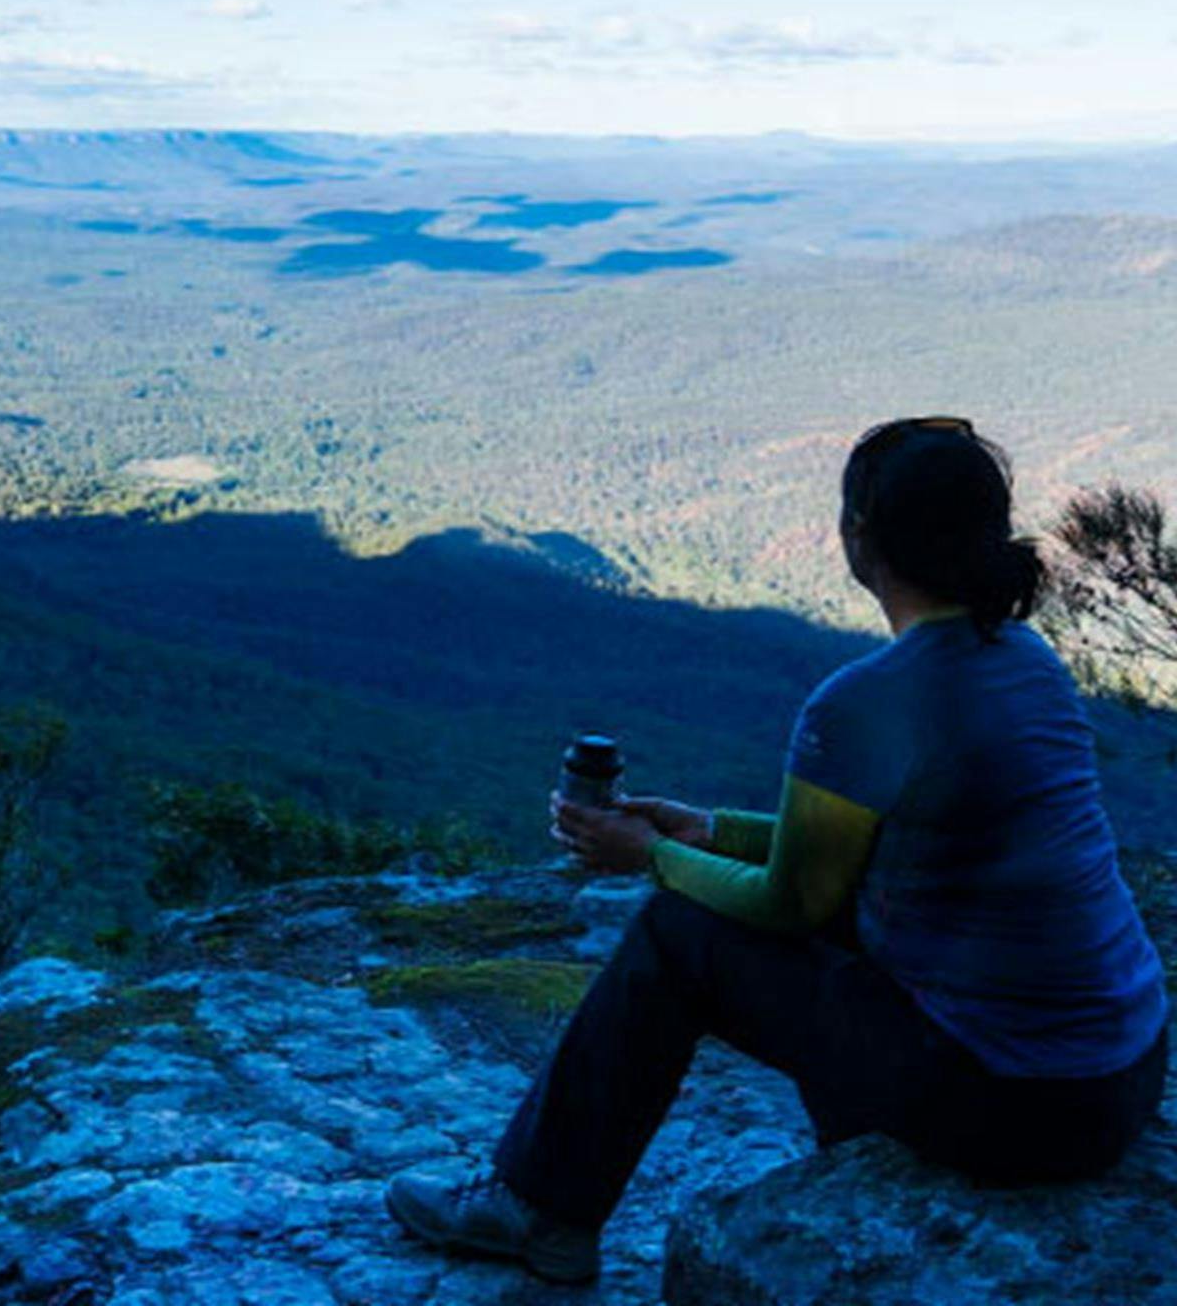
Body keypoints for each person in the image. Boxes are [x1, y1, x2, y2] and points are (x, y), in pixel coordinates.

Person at [386, 416, 1171, 1285]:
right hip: (1124, 1076)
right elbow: (883, 854)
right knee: (806, 927)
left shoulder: (863, 703)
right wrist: (707, 829)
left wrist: (648, 856)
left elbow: (793, 905)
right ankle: (849, 1144)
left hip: (1014, 1102)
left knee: (677, 933)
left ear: (858, 538)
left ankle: (538, 1210)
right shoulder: (1024, 657)